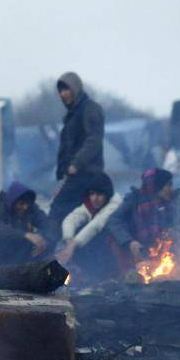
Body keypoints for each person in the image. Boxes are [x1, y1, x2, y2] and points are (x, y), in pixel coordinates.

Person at [48, 72, 104, 237]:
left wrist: (76, 164)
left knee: (58, 209)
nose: (63, 94)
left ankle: (46, 251)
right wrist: (62, 171)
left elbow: (94, 140)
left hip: (85, 173)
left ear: (76, 88)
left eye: (66, 89)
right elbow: (67, 146)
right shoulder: (71, 115)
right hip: (73, 173)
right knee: (75, 213)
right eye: (61, 91)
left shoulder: (90, 109)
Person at [107, 168, 180, 276]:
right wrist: (129, 242)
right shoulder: (134, 199)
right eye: (168, 185)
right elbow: (114, 220)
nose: (171, 189)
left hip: (164, 250)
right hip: (138, 250)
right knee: (113, 239)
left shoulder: (174, 201)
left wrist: (177, 232)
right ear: (157, 187)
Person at [56, 172, 123, 280]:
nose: (94, 199)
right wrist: (69, 241)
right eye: (92, 194)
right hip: (98, 250)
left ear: (107, 194)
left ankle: (107, 275)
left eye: (99, 194)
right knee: (75, 235)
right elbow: (71, 219)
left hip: (117, 249)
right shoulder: (90, 205)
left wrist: (72, 246)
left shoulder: (114, 203)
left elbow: (96, 225)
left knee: (97, 235)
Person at [0, 181, 52, 266]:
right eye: (21, 203)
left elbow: (48, 224)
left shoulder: (30, 207)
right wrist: (25, 234)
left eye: (27, 204)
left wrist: (42, 239)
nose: (25, 207)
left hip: (20, 255)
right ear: (13, 201)